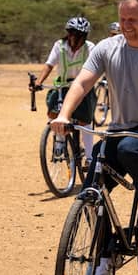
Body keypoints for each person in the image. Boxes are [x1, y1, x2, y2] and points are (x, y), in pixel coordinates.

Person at [50, 0, 138, 275]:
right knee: (91, 187)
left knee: (127, 148)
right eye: (122, 19)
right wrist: (64, 114)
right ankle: (105, 253)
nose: (126, 25)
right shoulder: (106, 48)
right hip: (121, 128)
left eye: (132, 19)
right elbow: (83, 82)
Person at [34, 16, 96, 166]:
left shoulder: (90, 47)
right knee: (54, 112)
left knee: (85, 121)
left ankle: (89, 157)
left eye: (78, 34)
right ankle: (60, 142)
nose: (74, 37)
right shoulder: (59, 46)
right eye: (72, 33)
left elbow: (95, 67)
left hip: (83, 88)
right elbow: (49, 65)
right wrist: (38, 82)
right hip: (62, 86)